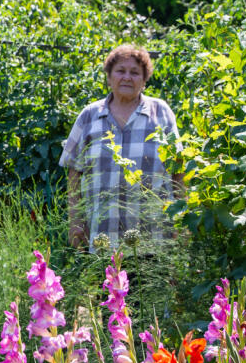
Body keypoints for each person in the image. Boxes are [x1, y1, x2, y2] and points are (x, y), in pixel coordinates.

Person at [60, 44, 181, 252]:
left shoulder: (161, 113)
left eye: (135, 73)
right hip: (103, 236)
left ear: (144, 80)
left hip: (154, 236)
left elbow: (178, 169)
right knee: (103, 284)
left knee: (152, 284)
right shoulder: (89, 116)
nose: (127, 77)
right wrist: (76, 221)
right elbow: (74, 172)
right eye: (120, 71)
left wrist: (181, 220)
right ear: (109, 77)